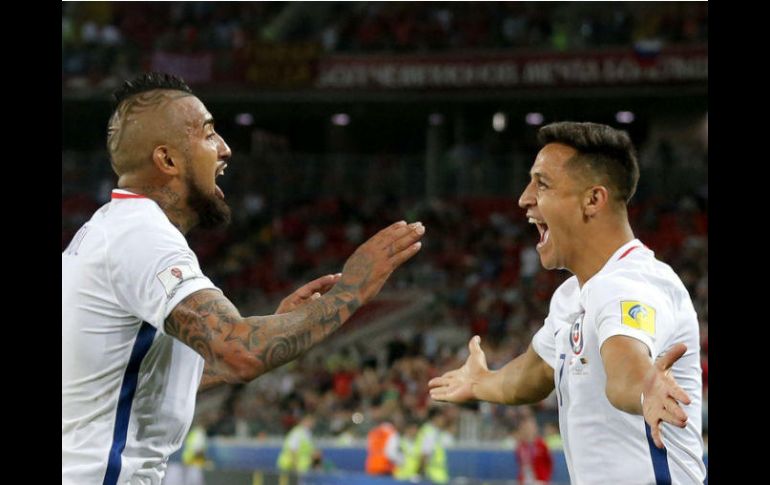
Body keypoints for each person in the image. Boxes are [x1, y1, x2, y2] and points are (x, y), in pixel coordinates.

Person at [62, 72, 426, 485]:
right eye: (209, 134)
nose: (225, 150)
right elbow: (241, 351)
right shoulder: (142, 237)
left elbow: (129, 382)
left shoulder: (108, 232)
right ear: (167, 161)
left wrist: (274, 327)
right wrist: (352, 290)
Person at [429, 122, 705, 484]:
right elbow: (533, 374)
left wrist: (644, 389)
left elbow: (625, 369)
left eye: (542, 184)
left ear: (593, 200)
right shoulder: (571, 295)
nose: (524, 198)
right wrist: (483, 382)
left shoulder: (631, 285)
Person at [514, 414, 552, 485]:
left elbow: (549, 463)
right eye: (525, 427)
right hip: (525, 480)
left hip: (540, 481)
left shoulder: (541, 444)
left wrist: (545, 479)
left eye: (531, 427)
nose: (528, 430)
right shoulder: (520, 446)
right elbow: (520, 464)